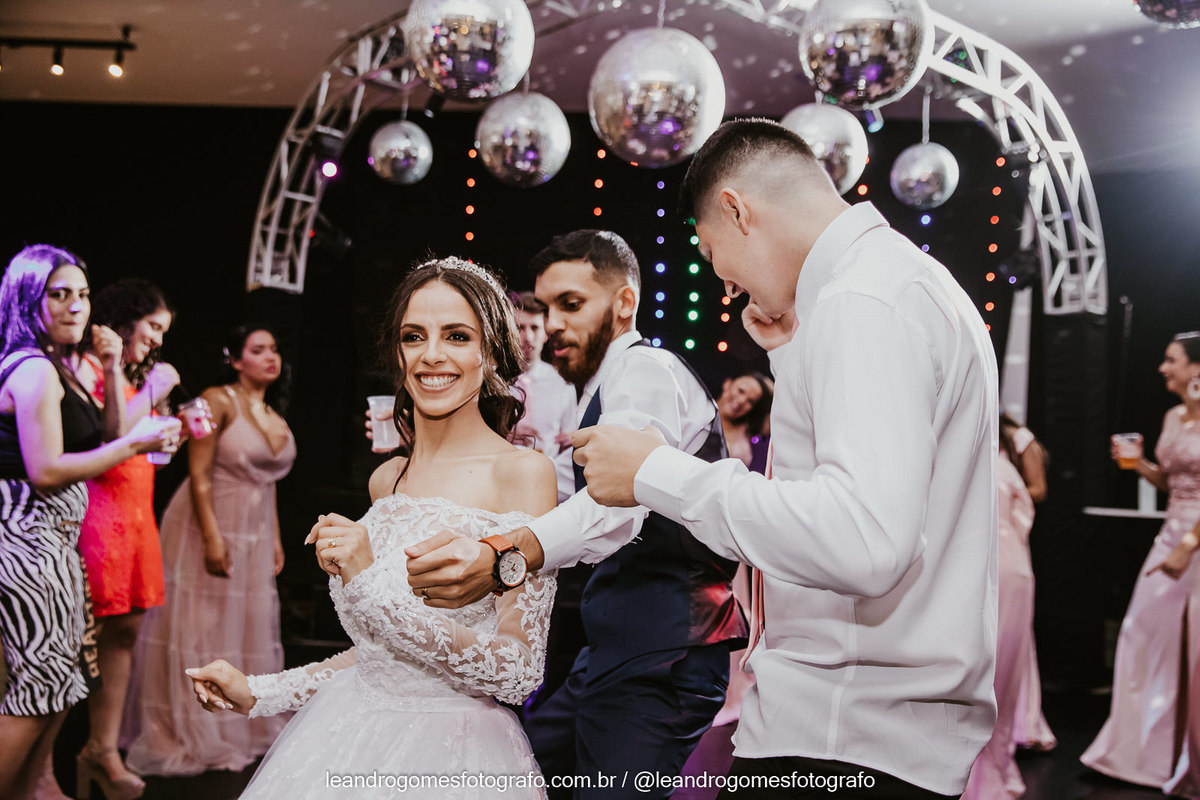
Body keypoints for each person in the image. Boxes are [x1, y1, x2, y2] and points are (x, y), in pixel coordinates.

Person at [568, 119, 998, 798]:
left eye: (712, 253)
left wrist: (657, 472)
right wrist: (793, 355)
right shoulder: (895, 284)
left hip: (843, 735)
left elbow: (863, 539)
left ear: (737, 211)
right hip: (868, 730)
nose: (726, 285)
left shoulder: (862, 300)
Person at [184, 257, 558, 799]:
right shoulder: (387, 479)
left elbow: (518, 671)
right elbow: (379, 657)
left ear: (492, 352)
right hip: (346, 734)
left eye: (456, 336)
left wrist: (366, 583)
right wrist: (259, 693)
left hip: (451, 756)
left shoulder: (523, 473)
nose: (431, 355)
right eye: (414, 336)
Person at [404, 230, 746, 799]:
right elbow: (558, 496)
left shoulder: (645, 371)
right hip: (611, 648)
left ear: (625, 303)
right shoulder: (599, 389)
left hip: (665, 650)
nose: (554, 324)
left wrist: (502, 556)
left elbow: (616, 507)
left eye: (571, 304)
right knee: (512, 774)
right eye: (546, 308)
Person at [0, 245, 178, 800]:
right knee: (37, 692)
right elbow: (46, 469)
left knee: (61, 685)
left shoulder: (55, 365)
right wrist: (136, 441)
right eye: (59, 294)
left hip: (56, 544)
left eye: (81, 294)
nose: (77, 306)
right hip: (29, 542)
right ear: (28, 299)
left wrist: (118, 381)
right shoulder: (34, 370)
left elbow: (103, 431)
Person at [122, 324, 295, 776]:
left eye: (274, 349)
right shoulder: (217, 399)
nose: (270, 357)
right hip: (207, 522)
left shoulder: (272, 412)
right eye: (258, 350)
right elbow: (198, 474)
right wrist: (214, 538)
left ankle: (240, 720)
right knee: (202, 622)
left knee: (247, 623)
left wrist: (275, 538)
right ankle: (193, 723)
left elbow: (269, 484)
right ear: (235, 360)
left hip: (254, 531)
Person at [72, 279, 181, 799]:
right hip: (98, 512)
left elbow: (138, 445)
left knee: (124, 633)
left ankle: (102, 748)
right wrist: (156, 390)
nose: (158, 339)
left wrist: (168, 436)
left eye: (163, 332)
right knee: (83, 635)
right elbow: (111, 432)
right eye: (153, 326)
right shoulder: (89, 366)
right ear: (127, 319)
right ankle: (48, 758)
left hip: (137, 511)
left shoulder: (136, 376)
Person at [1081, 331, 1200, 789]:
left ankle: (1186, 755)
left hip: (1194, 541)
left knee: (1192, 651)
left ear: (1196, 368)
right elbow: (1174, 484)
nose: (1163, 368)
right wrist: (1140, 466)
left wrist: (1190, 543)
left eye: (1172, 360)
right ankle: (1144, 755)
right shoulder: (1172, 416)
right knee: (1141, 634)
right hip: (1169, 535)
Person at [962, 448, 1036, 799]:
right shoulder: (1004, 464)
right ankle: (993, 766)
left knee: (980, 672)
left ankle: (975, 772)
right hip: (1012, 565)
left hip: (981, 563)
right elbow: (1025, 514)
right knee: (999, 673)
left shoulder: (963, 455)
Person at [998, 413, 1056, 753]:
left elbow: (1039, 488)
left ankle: (1022, 719)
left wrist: (1005, 492)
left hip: (1008, 538)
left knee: (1013, 632)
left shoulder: (1018, 438)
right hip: (976, 542)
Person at [715, 371, 772, 469]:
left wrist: (770, 388)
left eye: (750, 401)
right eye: (741, 391)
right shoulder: (702, 410)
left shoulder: (748, 429)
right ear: (727, 384)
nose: (741, 401)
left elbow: (783, 420)